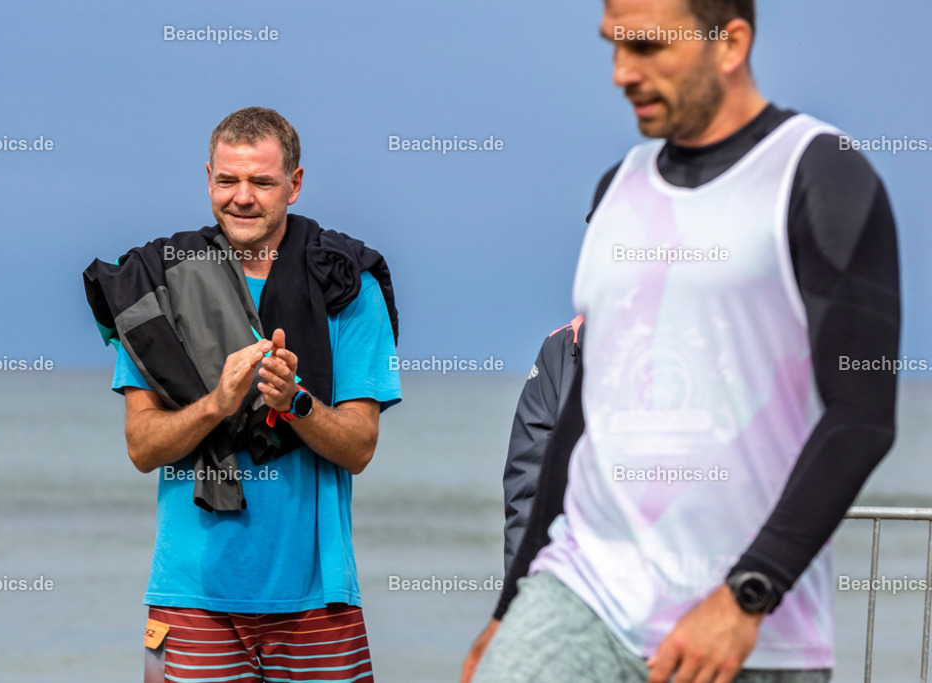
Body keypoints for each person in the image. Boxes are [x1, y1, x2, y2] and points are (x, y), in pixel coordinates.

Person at [465, 1, 901, 681]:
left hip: (750, 618)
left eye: (645, 47)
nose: (620, 72)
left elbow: (862, 415)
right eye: (613, 45)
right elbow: (582, 420)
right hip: (584, 592)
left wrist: (746, 594)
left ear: (730, 44)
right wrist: (510, 606)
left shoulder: (819, 174)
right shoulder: (618, 191)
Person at [83, 107, 401, 683]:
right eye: (228, 180)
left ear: (295, 185)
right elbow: (141, 447)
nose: (243, 197)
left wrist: (294, 402)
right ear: (208, 178)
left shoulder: (348, 286)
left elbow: (359, 448)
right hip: (189, 599)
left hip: (316, 600)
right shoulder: (158, 286)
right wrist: (216, 405)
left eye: (262, 181)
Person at [503, 316, 583, 575]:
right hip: (579, 576)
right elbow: (529, 487)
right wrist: (519, 589)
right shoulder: (561, 347)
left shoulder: (706, 344)